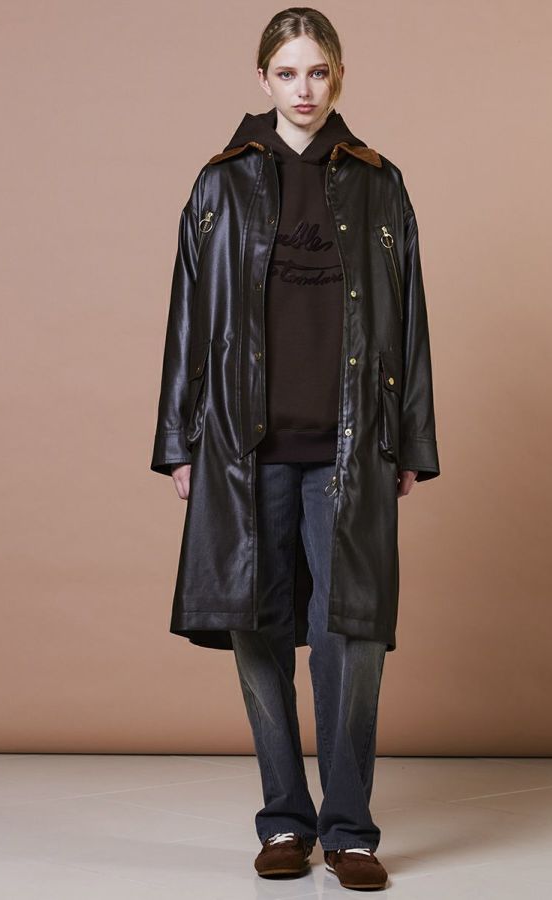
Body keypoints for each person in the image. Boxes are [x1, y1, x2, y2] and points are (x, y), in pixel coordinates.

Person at [151, 7, 440, 892]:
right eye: (287, 73)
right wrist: (179, 441)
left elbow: (412, 320)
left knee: (350, 634)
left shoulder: (380, 184)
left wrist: (411, 439)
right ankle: (284, 819)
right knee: (257, 625)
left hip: (351, 444)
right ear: (263, 79)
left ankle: (350, 831)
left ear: (337, 76)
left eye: (317, 72)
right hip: (243, 447)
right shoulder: (220, 183)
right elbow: (188, 317)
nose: (303, 89)